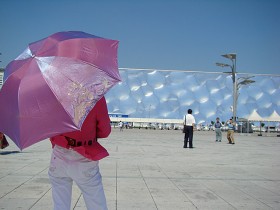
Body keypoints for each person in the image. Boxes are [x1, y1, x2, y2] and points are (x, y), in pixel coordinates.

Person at [48, 96, 111, 210]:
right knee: (96, 203)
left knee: (60, 204)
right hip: (84, 154)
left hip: (59, 153)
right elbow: (105, 131)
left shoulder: (55, 93)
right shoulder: (95, 96)